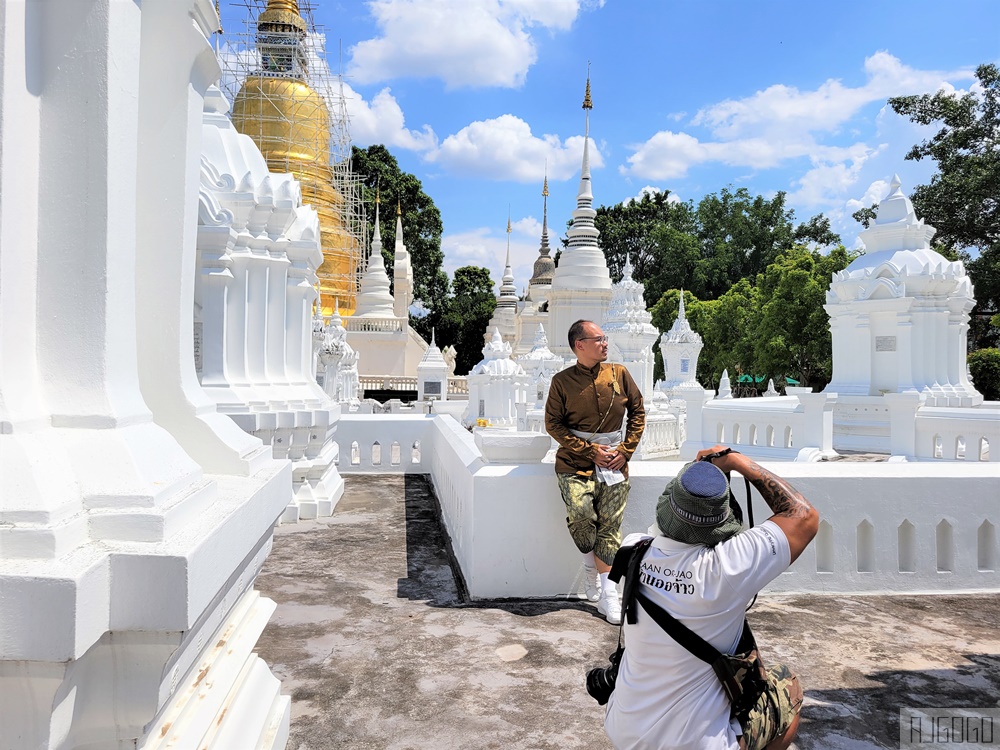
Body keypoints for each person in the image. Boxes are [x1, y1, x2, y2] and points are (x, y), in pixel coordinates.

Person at [604, 445, 818, 749]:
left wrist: (700, 472)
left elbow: (686, 499)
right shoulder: (728, 567)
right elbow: (804, 516)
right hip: (698, 745)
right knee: (788, 685)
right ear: (721, 522)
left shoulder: (634, 549)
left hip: (625, 732)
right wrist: (735, 462)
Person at [545, 320, 645, 624]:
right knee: (581, 515)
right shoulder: (562, 381)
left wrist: (625, 450)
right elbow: (553, 424)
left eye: (605, 339)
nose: (605, 343)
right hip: (575, 463)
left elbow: (638, 412)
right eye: (598, 339)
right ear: (580, 345)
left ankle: (608, 596)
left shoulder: (619, 374)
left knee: (611, 528)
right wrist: (590, 451)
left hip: (615, 462)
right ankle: (590, 566)